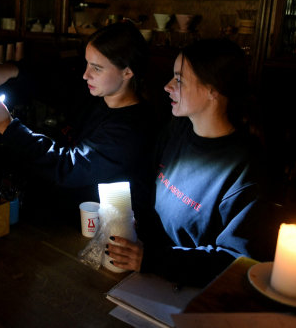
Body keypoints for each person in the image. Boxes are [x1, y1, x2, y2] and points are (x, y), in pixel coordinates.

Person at [105, 38, 275, 286]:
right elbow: (146, 181)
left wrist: (152, 260)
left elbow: (237, 262)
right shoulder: (178, 128)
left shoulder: (246, 169)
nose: (167, 86)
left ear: (213, 90)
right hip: (145, 274)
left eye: (179, 80)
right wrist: (131, 220)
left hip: (190, 291)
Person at [0, 22, 158, 219]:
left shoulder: (133, 129)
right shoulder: (96, 93)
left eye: (97, 68)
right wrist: (12, 70)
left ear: (127, 72)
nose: (86, 75)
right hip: (60, 211)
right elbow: (53, 83)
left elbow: (68, 167)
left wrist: (7, 126)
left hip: (93, 226)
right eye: (87, 63)